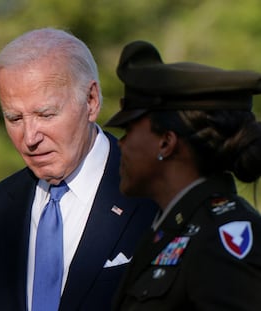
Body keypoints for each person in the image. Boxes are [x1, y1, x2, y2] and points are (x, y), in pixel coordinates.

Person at [0, 28, 157, 311]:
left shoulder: (155, 192)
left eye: (46, 115)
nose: (30, 137)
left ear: (91, 101)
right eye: (14, 118)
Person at [105, 40, 261, 311]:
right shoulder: (171, 230)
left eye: (129, 129)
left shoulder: (223, 238)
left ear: (166, 142)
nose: (122, 143)